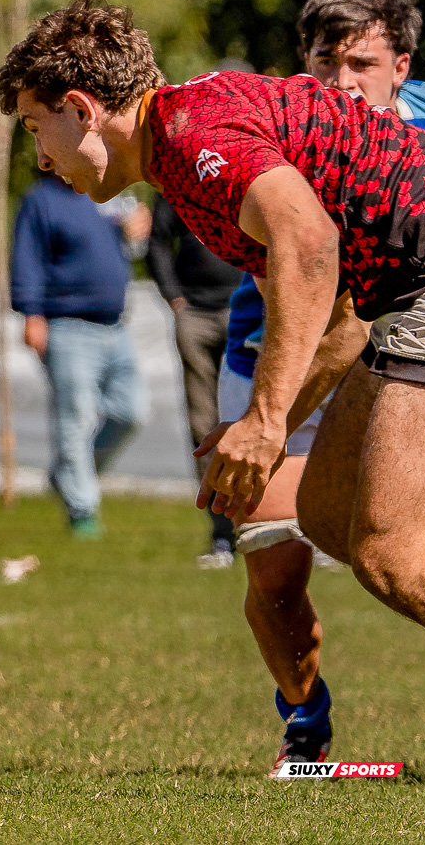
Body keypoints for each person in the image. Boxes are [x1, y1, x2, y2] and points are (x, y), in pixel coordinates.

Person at [0, 0, 425, 770]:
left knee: (391, 555)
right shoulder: (186, 141)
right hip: (403, 290)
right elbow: (340, 312)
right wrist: (262, 433)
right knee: (329, 514)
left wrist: (267, 421)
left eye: (38, 130)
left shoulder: (191, 137)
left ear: (81, 109)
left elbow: (310, 245)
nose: (43, 159)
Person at [212, 0, 425, 771]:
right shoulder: (274, 120)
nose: (341, 82)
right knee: (277, 570)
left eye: (361, 63)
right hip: (275, 356)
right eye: (324, 61)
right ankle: (305, 721)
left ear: (401, 66)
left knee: (398, 555)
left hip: (409, 347)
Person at [146, 66, 251, 566]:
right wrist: (174, 297)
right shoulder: (178, 168)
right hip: (197, 315)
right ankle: (221, 535)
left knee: (268, 416)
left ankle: (286, 528)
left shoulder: (253, 162)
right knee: (204, 425)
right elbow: (156, 243)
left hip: (250, 312)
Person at [10, 172, 149, 538]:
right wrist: (31, 314)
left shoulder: (104, 196)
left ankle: (66, 475)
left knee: (132, 411)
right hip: (67, 325)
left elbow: (127, 248)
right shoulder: (42, 200)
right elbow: (27, 257)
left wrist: (136, 234)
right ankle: (82, 509)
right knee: (75, 418)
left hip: (115, 326)